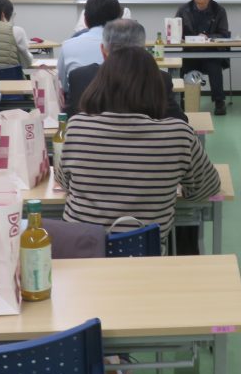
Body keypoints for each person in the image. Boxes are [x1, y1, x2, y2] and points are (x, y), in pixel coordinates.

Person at [57, 46, 222, 242]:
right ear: (156, 88)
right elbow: (207, 187)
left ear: (100, 85)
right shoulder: (178, 133)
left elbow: (64, 181)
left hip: (81, 251)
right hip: (145, 253)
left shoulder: (77, 126)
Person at [66, 18, 187, 122]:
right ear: (143, 49)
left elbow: (68, 120)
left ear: (103, 50)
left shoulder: (79, 77)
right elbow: (179, 121)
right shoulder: (160, 79)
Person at [174, 0, 230, 115]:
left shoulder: (219, 10)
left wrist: (208, 37)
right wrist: (178, 36)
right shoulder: (183, 10)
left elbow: (224, 34)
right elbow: (175, 30)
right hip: (190, 52)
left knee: (214, 67)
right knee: (178, 67)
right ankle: (179, 100)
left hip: (211, 52)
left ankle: (219, 102)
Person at [56, 0, 124, 92]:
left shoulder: (67, 46)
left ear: (85, 20)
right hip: (118, 101)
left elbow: (62, 87)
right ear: (119, 20)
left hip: (79, 101)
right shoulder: (128, 48)